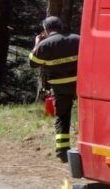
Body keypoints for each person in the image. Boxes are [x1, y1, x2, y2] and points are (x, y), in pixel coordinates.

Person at [29, 16, 80, 163]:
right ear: (61, 26)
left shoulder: (45, 44)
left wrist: (37, 43)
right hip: (79, 83)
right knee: (86, 116)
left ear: (46, 29)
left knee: (62, 117)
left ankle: (62, 152)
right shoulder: (77, 39)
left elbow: (33, 63)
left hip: (59, 86)